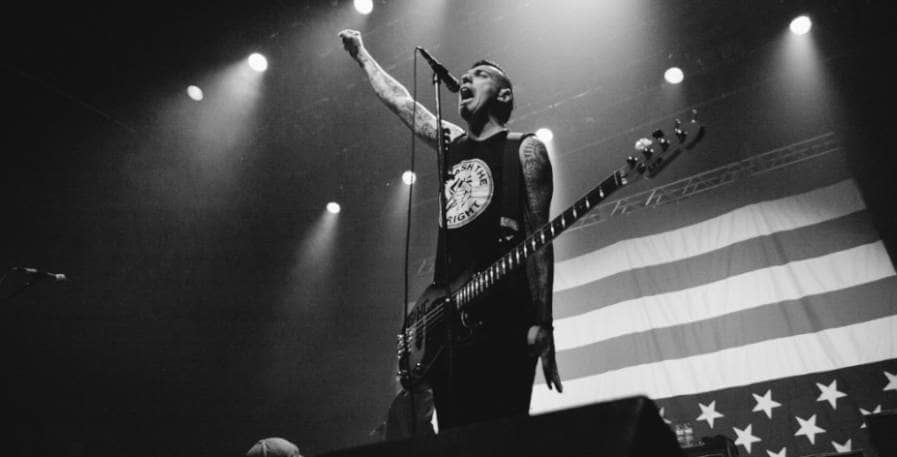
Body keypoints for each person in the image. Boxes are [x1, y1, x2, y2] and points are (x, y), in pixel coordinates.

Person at [338, 29, 562, 432]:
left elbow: (538, 242)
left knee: (499, 437)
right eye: (466, 76)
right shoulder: (451, 143)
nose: (467, 81)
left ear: (504, 95)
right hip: (448, 322)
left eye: (479, 75)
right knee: (455, 439)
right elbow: (401, 102)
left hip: (504, 317)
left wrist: (543, 322)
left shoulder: (525, 150)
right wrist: (362, 56)